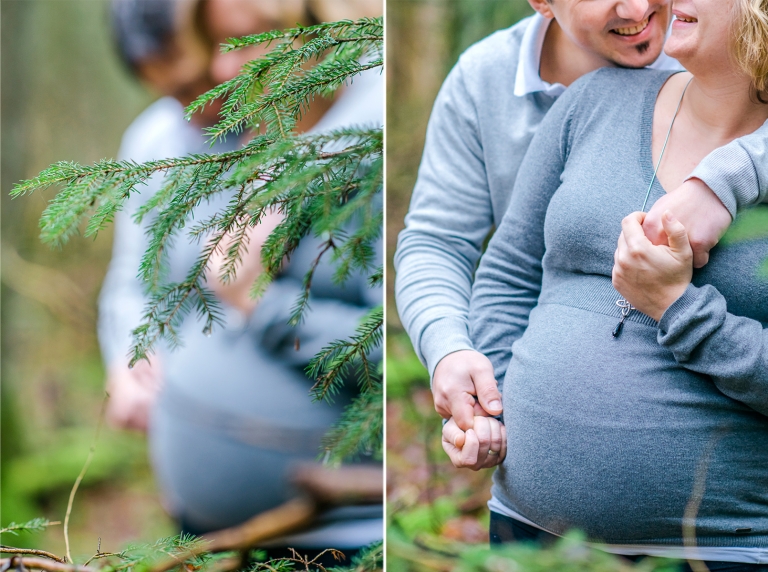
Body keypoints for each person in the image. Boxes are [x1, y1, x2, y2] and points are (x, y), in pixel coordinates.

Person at [447, 0, 768, 568]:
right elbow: (510, 270)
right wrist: (490, 409)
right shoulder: (594, 100)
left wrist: (677, 308)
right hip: (526, 535)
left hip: (718, 549)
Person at [101, 0, 383, 560]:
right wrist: (128, 358)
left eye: (199, 77)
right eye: (174, 93)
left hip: (334, 533)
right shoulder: (163, 143)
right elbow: (133, 283)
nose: (207, 97)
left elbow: (385, 348)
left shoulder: (358, 142)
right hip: (207, 527)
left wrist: (259, 303)